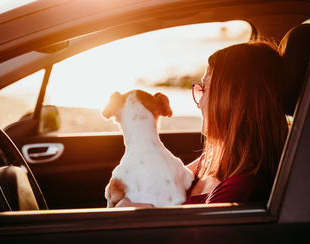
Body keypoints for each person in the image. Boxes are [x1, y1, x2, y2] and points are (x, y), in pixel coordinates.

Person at [116, 41, 288, 207]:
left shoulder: (240, 188)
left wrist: (135, 213)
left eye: (204, 89)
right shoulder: (210, 159)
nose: (199, 102)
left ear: (232, 101)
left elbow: (180, 235)